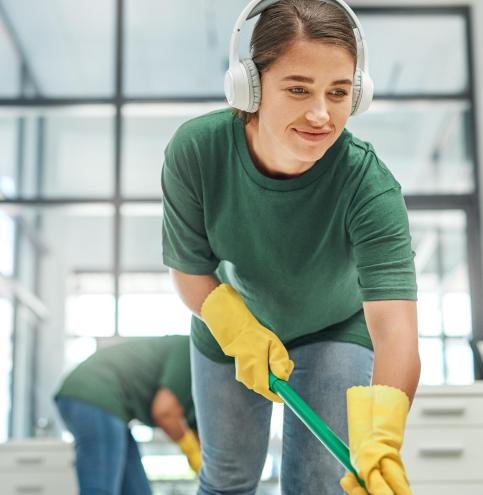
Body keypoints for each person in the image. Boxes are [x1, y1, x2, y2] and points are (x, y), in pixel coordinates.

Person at [161, 0, 420, 494]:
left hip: (333, 327)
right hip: (230, 322)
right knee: (229, 476)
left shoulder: (368, 185)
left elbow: (394, 327)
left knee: (318, 482)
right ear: (250, 87)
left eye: (339, 92)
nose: (321, 113)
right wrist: (237, 330)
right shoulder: (197, 151)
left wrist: (382, 435)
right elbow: (190, 269)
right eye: (298, 88)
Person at [54, 335, 201, 495]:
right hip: (95, 392)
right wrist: (191, 449)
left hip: (108, 404)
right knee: (100, 488)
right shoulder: (191, 351)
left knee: (137, 491)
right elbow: (165, 412)